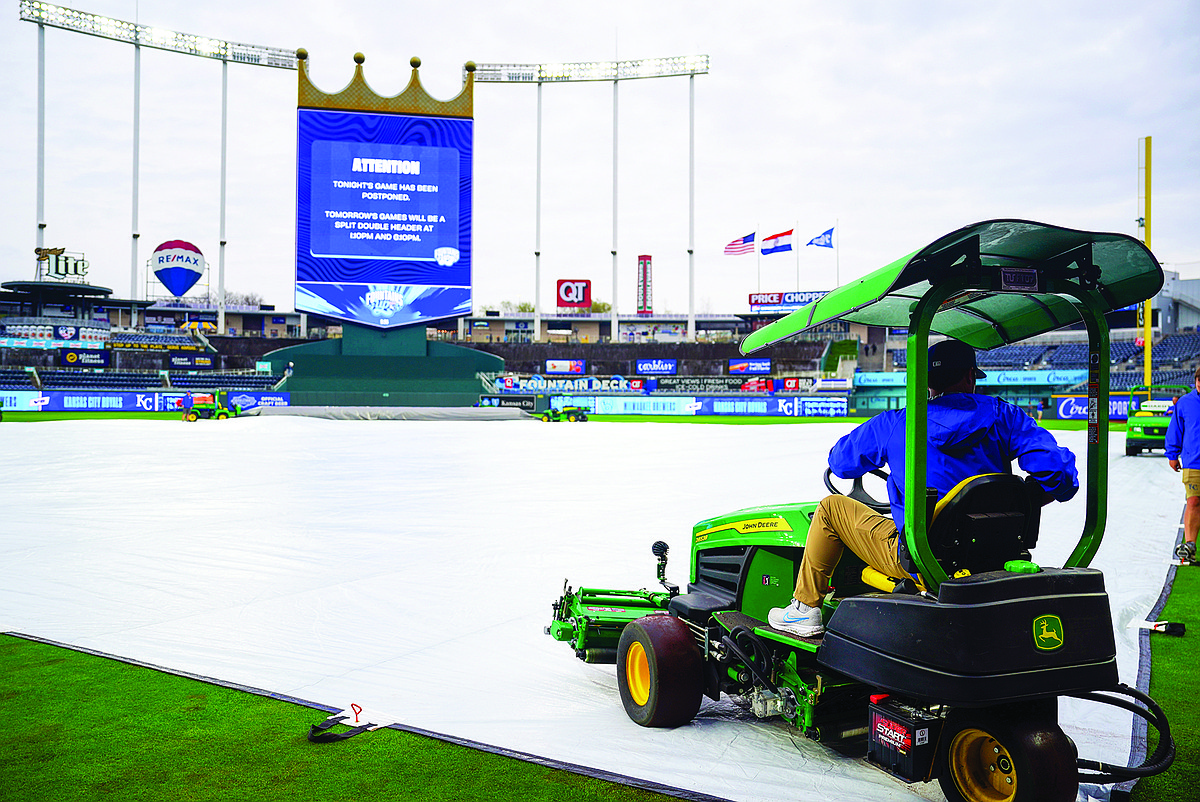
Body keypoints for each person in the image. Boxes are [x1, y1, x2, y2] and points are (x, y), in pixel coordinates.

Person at [768, 338, 1080, 637]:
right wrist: (1024, 498)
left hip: (922, 558)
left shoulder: (898, 423)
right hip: (996, 553)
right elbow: (1061, 477)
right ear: (970, 376)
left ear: (927, 381)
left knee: (831, 508)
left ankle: (804, 607)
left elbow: (839, 463)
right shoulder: (1006, 416)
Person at [1164, 366, 1200, 562]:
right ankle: (1190, 545)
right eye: (1199, 381)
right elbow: (1175, 429)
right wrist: (1172, 454)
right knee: (1193, 501)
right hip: (1193, 461)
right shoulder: (1185, 403)